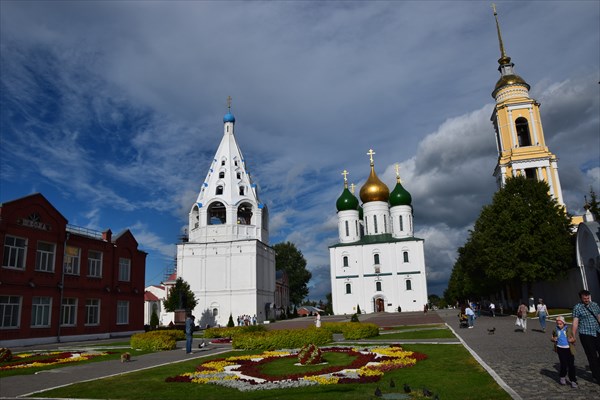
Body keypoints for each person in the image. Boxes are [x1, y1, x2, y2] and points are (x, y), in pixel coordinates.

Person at [572, 289, 600, 385]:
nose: (587, 299)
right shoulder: (577, 307)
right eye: (585, 298)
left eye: (588, 297)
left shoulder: (595, 305)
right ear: (581, 298)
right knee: (592, 355)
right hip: (586, 334)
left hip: (597, 332)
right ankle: (597, 376)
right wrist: (573, 335)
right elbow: (575, 322)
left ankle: (597, 369)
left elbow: (599, 317)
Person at [551, 315, 577, 387]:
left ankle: (573, 380)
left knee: (571, 365)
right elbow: (552, 338)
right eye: (558, 324)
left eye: (560, 324)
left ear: (564, 323)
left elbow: (574, 339)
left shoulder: (568, 330)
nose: (559, 325)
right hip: (560, 348)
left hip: (569, 349)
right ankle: (562, 376)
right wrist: (553, 339)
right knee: (563, 364)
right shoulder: (555, 330)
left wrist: (572, 340)